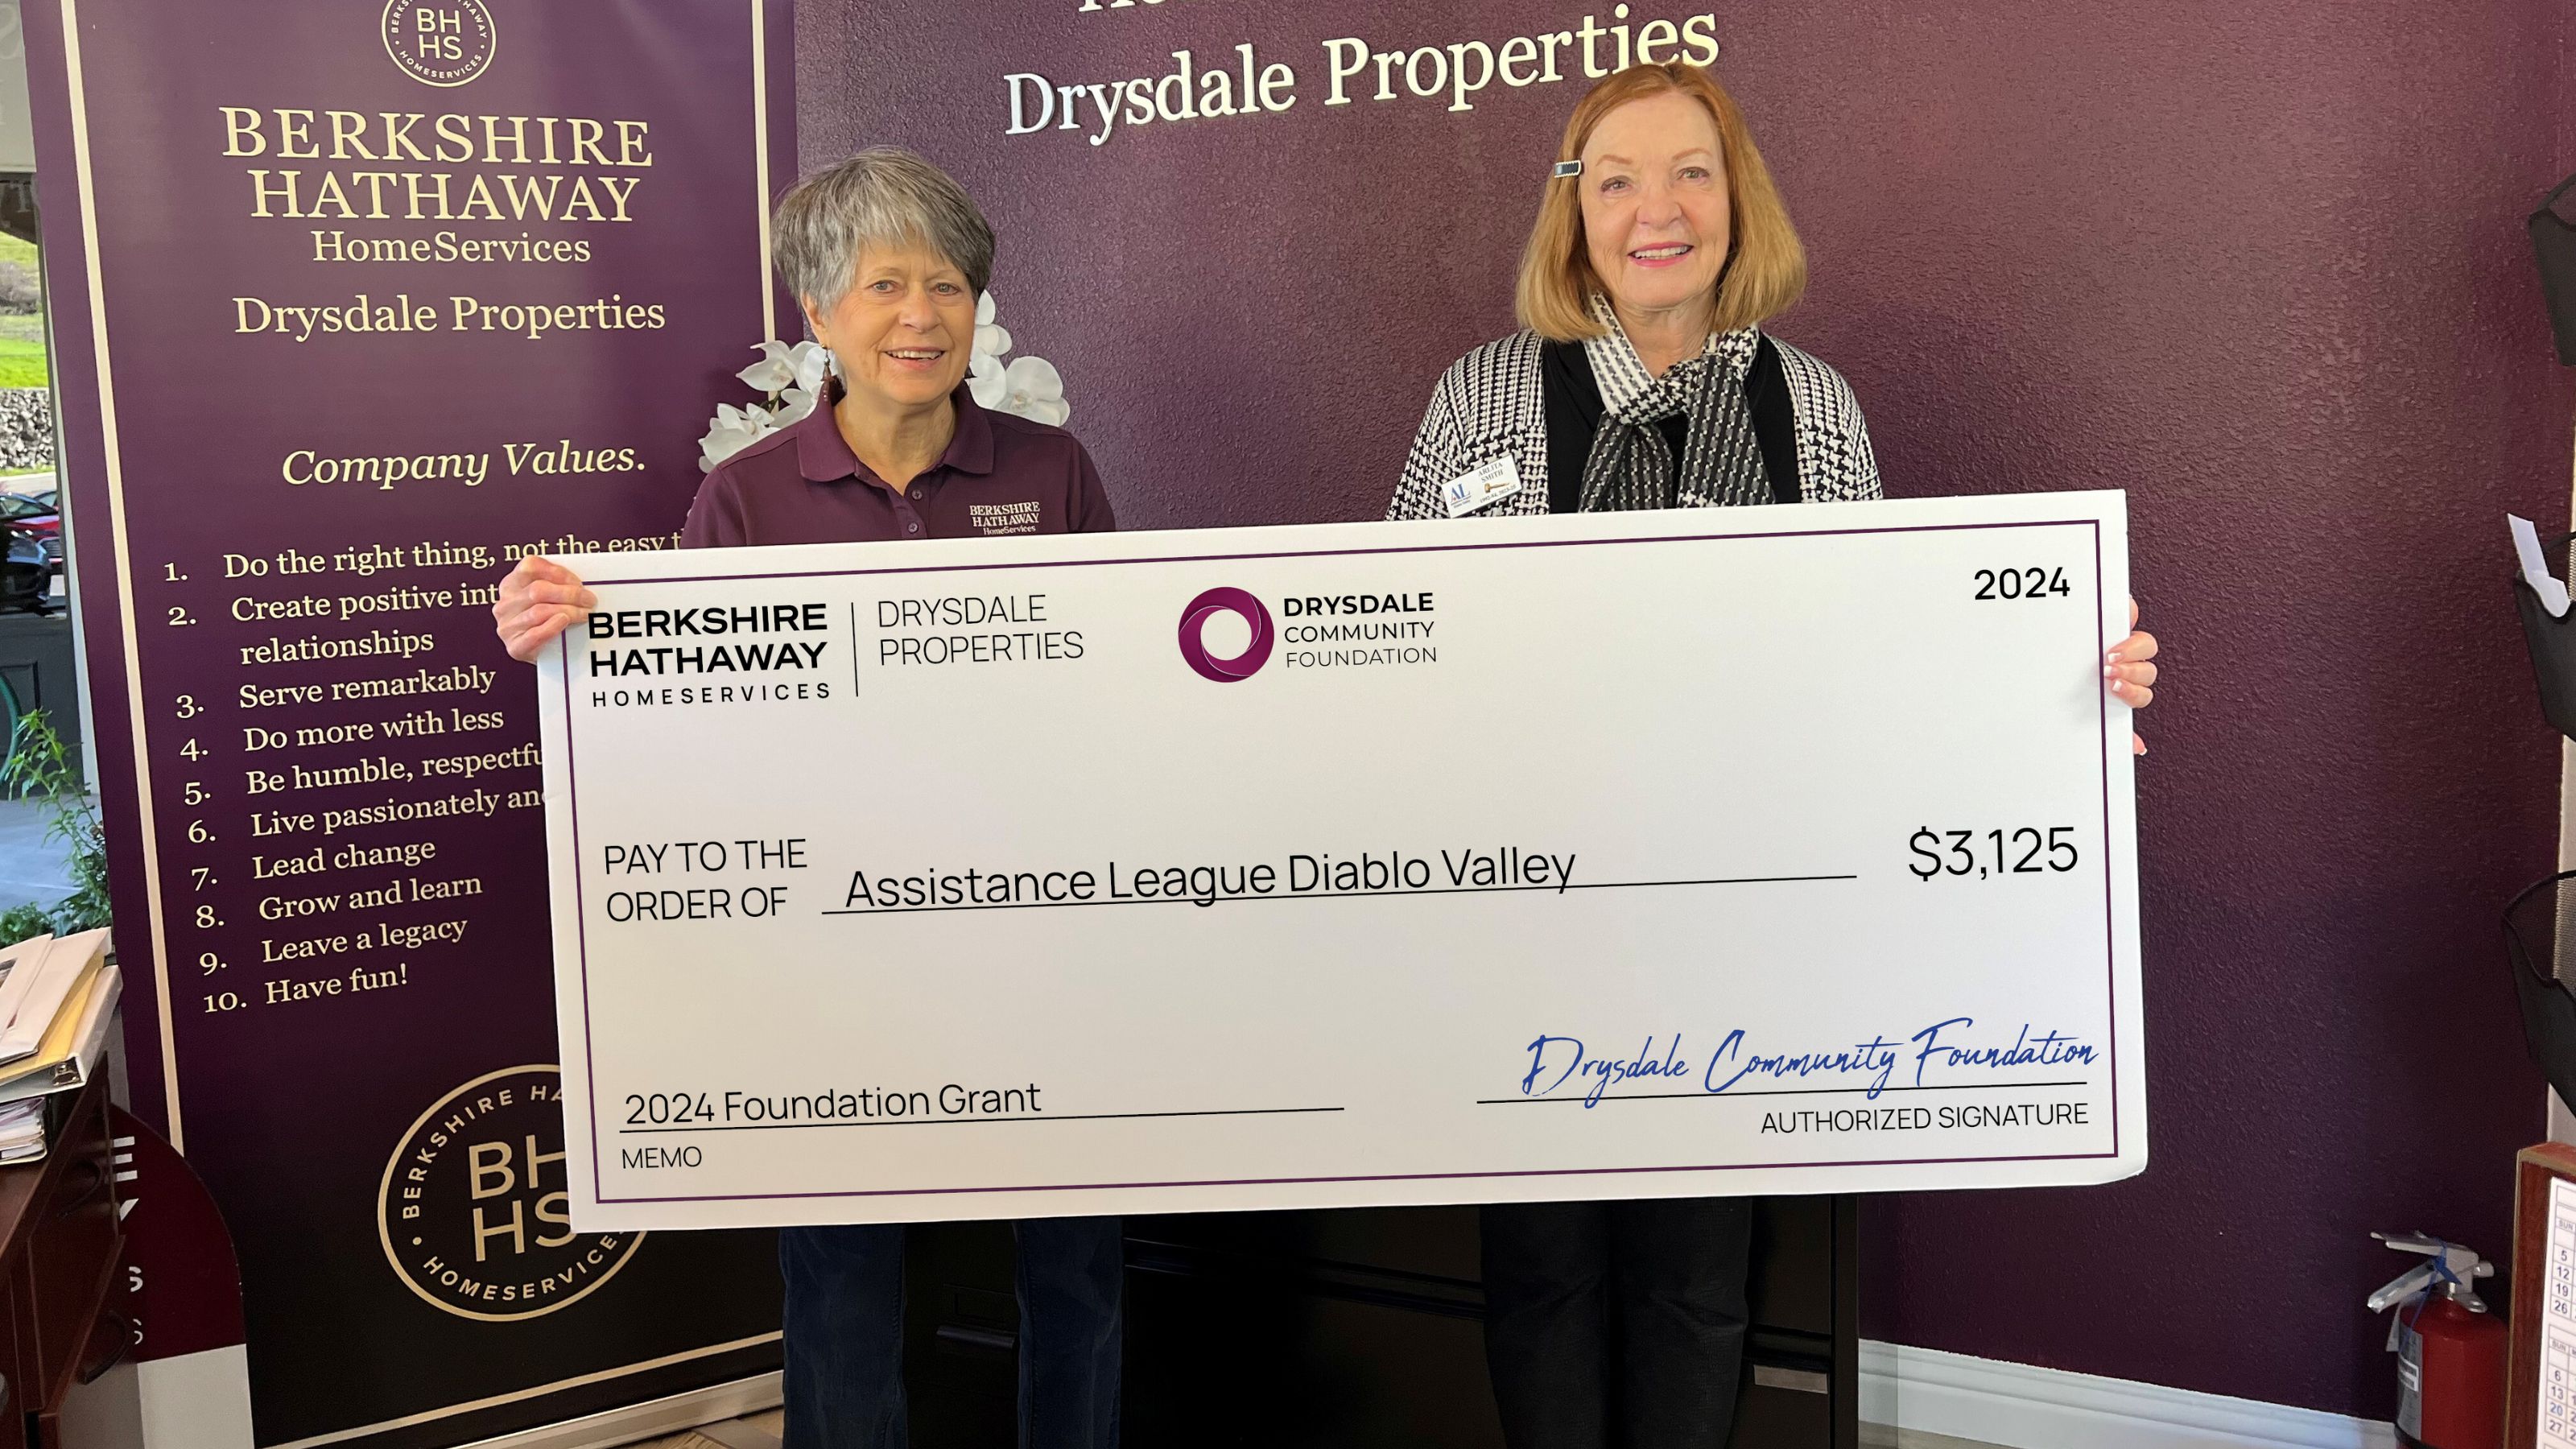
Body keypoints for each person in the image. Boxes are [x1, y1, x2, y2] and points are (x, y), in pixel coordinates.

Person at [1388, 62, 2161, 1448]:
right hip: (1529, 920)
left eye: (1692, 173)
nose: (1658, 211)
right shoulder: (1481, 398)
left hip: (1739, 928)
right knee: (1543, 1274)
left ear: (1738, 201)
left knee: (1698, 1281)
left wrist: (2057, 699)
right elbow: (1395, 648)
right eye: (1616, 180)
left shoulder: (1813, 409)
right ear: (1573, 210)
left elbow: (1886, 658)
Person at [490, 148, 1122, 1449]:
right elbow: (681, 722)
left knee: (1075, 1264)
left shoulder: (1052, 473)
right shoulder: (747, 496)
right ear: (820, 313)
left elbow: (1126, 687)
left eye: (947, 286)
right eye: (883, 286)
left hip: (1039, 938)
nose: (920, 317)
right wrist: (570, 636)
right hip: (832, 958)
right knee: (841, 1281)